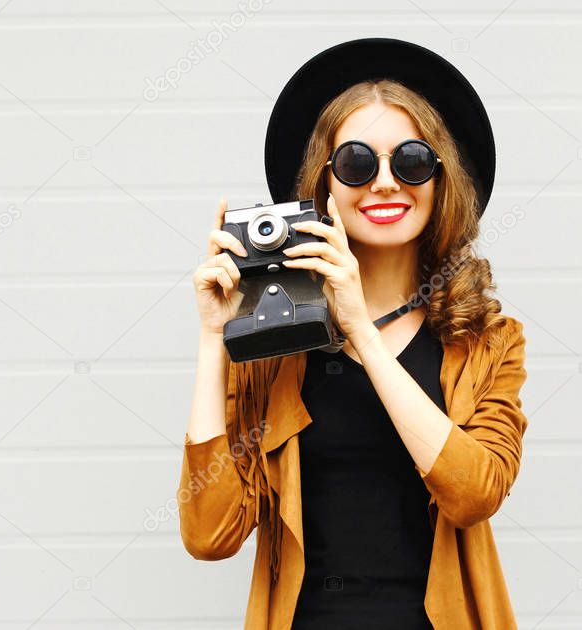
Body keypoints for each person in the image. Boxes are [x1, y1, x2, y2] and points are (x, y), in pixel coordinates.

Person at [177, 38, 529, 630]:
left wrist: (361, 330)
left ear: (441, 179)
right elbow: (210, 535)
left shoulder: (488, 340)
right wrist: (217, 338)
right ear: (326, 187)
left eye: (412, 161)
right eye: (358, 164)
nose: (385, 183)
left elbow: (474, 495)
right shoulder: (274, 348)